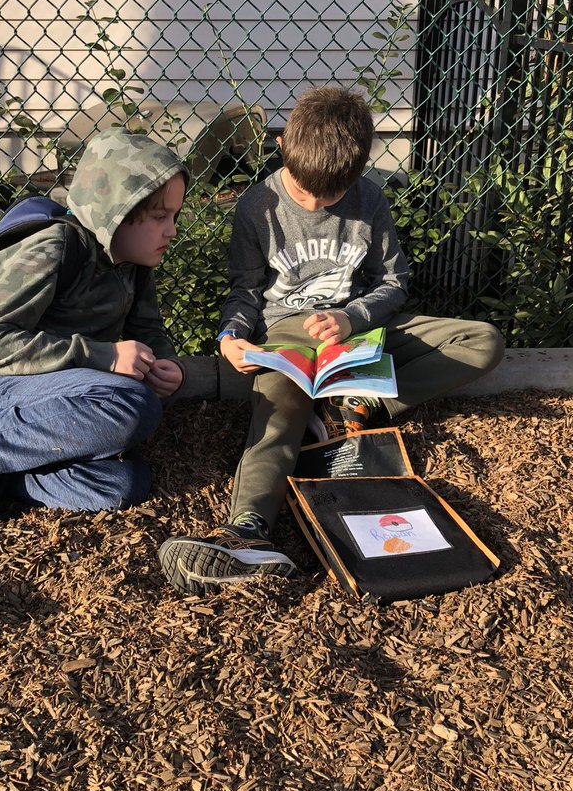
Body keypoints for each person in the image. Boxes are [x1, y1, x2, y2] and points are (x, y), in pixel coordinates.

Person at [158, 85, 504, 594]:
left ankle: (359, 398)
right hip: (287, 338)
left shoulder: (371, 199)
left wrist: (351, 317)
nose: (316, 202)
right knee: (277, 419)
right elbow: (245, 290)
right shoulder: (258, 205)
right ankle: (248, 530)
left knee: (483, 341)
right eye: (304, 191)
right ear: (282, 148)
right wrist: (232, 334)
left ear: (361, 169)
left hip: (359, 332)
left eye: (332, 195)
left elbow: (393, 284)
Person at [0, 128, 190, 517]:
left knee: (124, 483)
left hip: (48, 389)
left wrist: (169, 366)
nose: (172, 230)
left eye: (175, 216)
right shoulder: (55, 247)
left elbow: (147, 332)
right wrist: (104, 356)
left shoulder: (133, 264)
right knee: (129, 403)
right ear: (115, 211)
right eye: (160, 217)